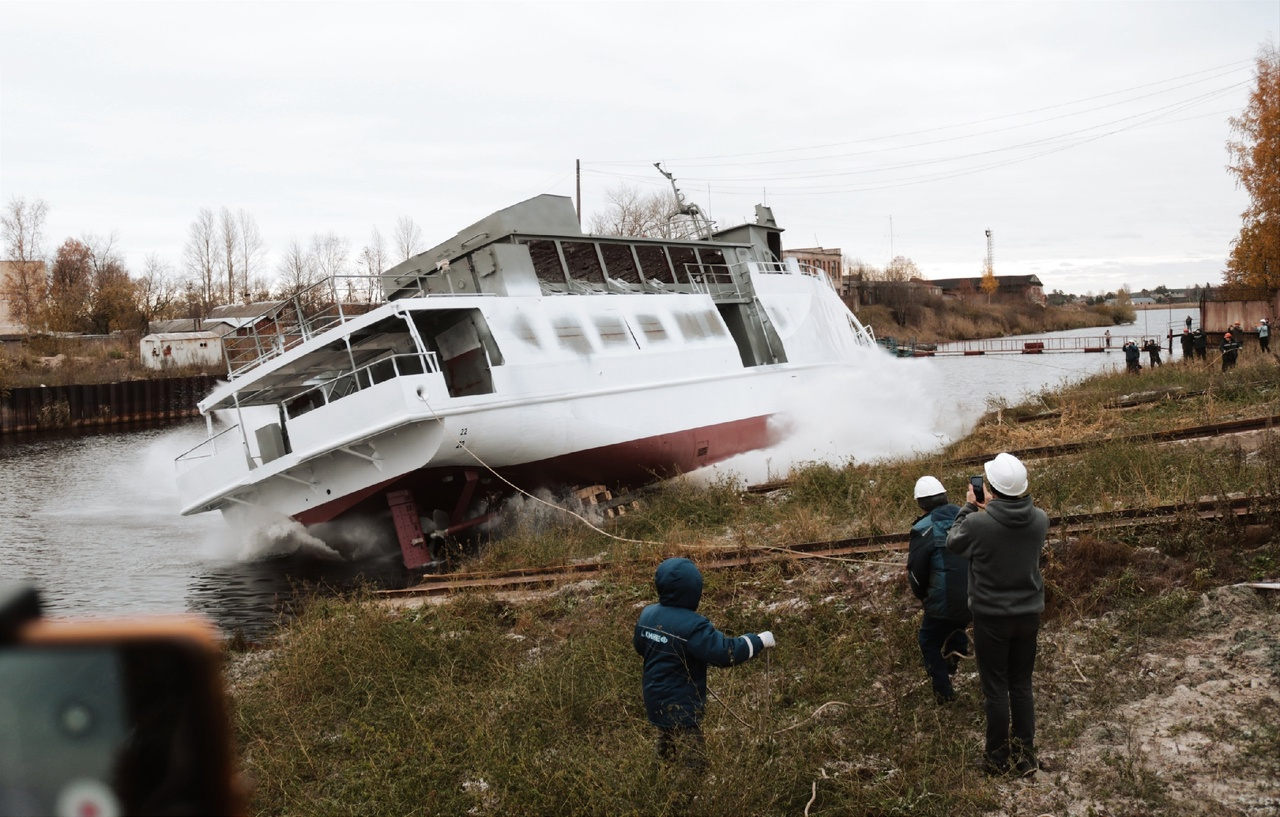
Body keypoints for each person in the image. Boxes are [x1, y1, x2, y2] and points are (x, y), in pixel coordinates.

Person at [947, 453, 1050, 777]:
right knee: (1021, 684)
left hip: (991, 618)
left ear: (990, 488)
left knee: (996, 689)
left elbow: (954, 542)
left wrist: (970, 506)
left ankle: (996, 757)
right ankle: (1025, 756)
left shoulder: (978, 522)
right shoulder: (1040, 519)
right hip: (1029, 615)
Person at [633, 557, 774, 771]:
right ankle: (681, 802)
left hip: (654, 698)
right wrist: (758, 640)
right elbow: (726, 653)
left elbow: (640, 646)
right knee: (695, 764)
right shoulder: (693, 625)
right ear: (694, 590)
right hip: (682, 706)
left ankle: (656, 789)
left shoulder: (647, 614)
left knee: (666, 749)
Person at [907, 476, 971, 704]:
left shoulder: (922, 529)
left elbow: (916, 574)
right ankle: (956, 648)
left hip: (944, 600)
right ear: (944, 496)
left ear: (920, 504)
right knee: (958, 622)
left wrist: (923, 597)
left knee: (928, 640)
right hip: (977, 594)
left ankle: (943, 694)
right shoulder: (968, 516)